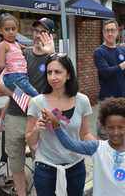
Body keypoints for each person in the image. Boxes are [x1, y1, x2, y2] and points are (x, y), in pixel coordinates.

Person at [0, 17, 56, 196]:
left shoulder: (54, 58)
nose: (38, 35)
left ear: (51, 36)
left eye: (43, 31)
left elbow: (62, 87)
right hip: (14, 117)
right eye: (36, 31)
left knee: (42, 162)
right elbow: (0, 83)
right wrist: (26, 99)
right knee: (16, 163)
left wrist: (49, 54)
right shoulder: (21, 53)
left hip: (38, 120)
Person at [26, 53, 96, 196]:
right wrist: (36, 130)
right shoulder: (37, 102)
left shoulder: (82, 100)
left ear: (68, 74)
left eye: (58, 72)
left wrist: (102, 148)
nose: (53, 77)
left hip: (76, 166)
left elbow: (84, 134)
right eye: (49, 72)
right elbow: (29, 139)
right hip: (45, 167)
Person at [53, 97, 125, 196]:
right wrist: (56, 127)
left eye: (121, 127)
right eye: (111, 128)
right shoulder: (97, 148)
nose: (116, 132)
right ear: (104, 127)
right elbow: (70, 144)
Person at [0, 13, 39, 130]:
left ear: (17, 29)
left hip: (21, 77)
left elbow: (27, 49)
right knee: (36, 96)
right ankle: (48, 119)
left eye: (13, 29)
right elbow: (1, 66)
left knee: (25, 101)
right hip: (14, 77)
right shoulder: (3, 45)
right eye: (7, 29)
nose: (10, 32)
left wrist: (36, 47)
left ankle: (31, 124)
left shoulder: (16, 44)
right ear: (1, 31)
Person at [93, 19, 125, 138]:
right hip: (107, 100)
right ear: (103, 32)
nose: (110, 33)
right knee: (104, 134)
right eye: (107, 30)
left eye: (112, 30)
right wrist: (121, 66)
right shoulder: (99, 52)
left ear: (117, 32)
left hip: (122, 99)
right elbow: (105, 72)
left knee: (121, 132)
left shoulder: (122, 50)